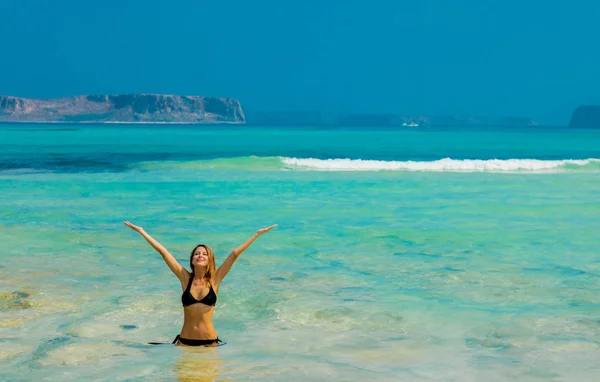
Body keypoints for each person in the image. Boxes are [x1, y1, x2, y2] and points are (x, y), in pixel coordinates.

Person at [124, 221, 277, 347]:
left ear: (210, 259)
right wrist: (142, 231)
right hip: (184, 343)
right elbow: (163, 252)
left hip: (209, 344)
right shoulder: (185, 278)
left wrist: (258, 234)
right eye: (197, 253)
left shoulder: (215, 279)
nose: (200, 256)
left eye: (204, 254)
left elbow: (235, 253)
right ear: (192, 259)